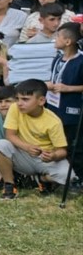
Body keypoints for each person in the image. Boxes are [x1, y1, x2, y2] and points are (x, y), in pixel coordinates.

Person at [0, 79, 72, 199]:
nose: (19, 103)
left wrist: (53, 156)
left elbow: (62, 151)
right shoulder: (15, 108)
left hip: (44, 159)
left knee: (68, 176)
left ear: (41, 101)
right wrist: (27, 147)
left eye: (25, 99)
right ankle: (9, 185)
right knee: (0, 145)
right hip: (22, 154)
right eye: (17, 98)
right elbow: (9, 135)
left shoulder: (53, 121)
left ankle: (39, 180)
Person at [46, 22, 82, 172]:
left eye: (58, 36)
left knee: (74, 142)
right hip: (54, 106)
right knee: (56, 139)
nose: (55, 39)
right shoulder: (57, 59)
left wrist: (69, 88)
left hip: (72, 108)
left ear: (68, 41)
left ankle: (77, 175)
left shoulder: (80, 61)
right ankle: (58, 173)